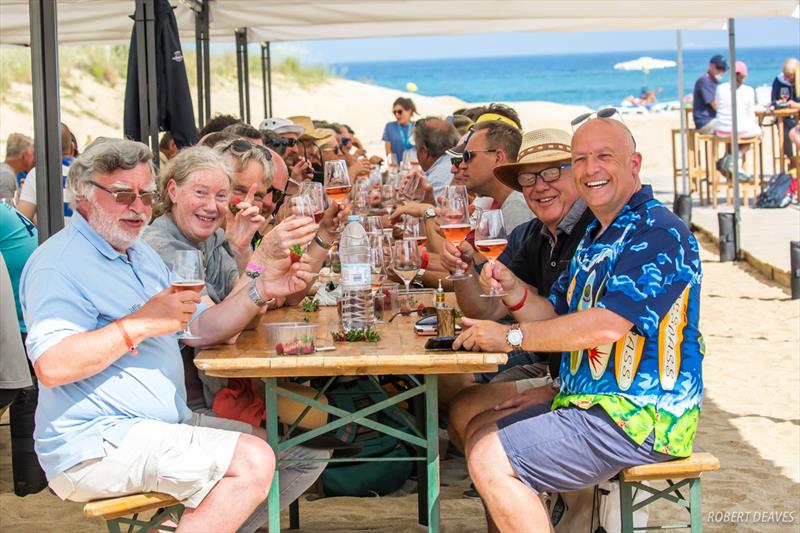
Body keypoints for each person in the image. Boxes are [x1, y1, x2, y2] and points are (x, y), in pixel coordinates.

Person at [20, 137, 318, 532]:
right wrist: (141, 322)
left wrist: (260, 288)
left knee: (289, 453)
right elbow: (53, 366)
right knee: (252, 461)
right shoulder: (59, 265)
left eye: (146, 195)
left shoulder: (137, 253)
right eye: (124, 195)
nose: (139, 207)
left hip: (159, 425)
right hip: (95, 442)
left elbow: (204, 328)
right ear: (84, 195)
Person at [453, 118, 703, 532]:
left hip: (641, 417)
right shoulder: (597, 234)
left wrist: (510, 335)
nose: (591, 169)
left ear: (634, 163)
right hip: (593, 403)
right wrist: (514, 290)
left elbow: (606, 326)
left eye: (604, 156)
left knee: (489, 454)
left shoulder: (657, 231)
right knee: (479, 426)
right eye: (582, 158)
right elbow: (558, 320)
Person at [440, 128, 595, 421]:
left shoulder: (596, 232)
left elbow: (594, 330)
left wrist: (512, 337)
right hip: (552, 362)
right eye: (528, 178)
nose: (539, 187)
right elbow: (487, 308)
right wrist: (461, 272)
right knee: (456, 395)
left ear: (576, 173)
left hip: (583, 375)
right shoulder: (532, 233)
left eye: (551, 173)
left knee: (466, 408)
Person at [458, 120, 532, 232]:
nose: (461, 165)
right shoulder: (513, 201)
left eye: (467, 156)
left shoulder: (517, 206)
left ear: (498, 157)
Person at [17, 122, 76, 223]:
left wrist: (22, 196)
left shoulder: (38, 174)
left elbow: (21, 223)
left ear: (39, 149)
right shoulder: (87, 174)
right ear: (71, 147)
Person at [412, 116, 461, 199]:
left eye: (416, 148)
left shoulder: (435, 179)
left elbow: (431, 211)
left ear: (424, 151)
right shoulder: (459, 162)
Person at [714, 61, 761, 139]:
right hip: (741, 130)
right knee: (759, 132)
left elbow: (718, 107)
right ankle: (740, 151)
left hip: (721, 130)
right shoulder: (749, 90)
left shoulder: (720, 88)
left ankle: (731, 151)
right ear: (745, 75)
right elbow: (750, 115)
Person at [771, 57, 800, 159]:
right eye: (785, 76)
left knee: (792, 131)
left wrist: (796, 105)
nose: (787, 79)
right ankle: (791, 159)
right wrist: (781, 104)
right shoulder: (779, 81)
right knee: (784, 128)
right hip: (785, 117)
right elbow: (773, 101)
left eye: (790, 76)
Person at [692, 54, 728, 133]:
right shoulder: (704, 81)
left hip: (713, 120)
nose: (721, 71)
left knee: (738, 126)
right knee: (733, 125)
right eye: (719, 68)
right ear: (710, 66)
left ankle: (735, 145)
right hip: (705, 122)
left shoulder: (715, 83)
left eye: (723, 69)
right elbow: (715, 105)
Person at [0, 133, 35, 200]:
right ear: (25, 156)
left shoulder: (6, 172)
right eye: (32, 154)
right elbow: (5, 209)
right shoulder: (6, 176)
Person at [383, 97, 417, 164]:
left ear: (409, 111)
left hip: (414, 167)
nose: (397, 114)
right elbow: (389, 152)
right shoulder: (390, 127)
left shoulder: (417, 127)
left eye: (399, 111)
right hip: (397, 168)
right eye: (394, 112)